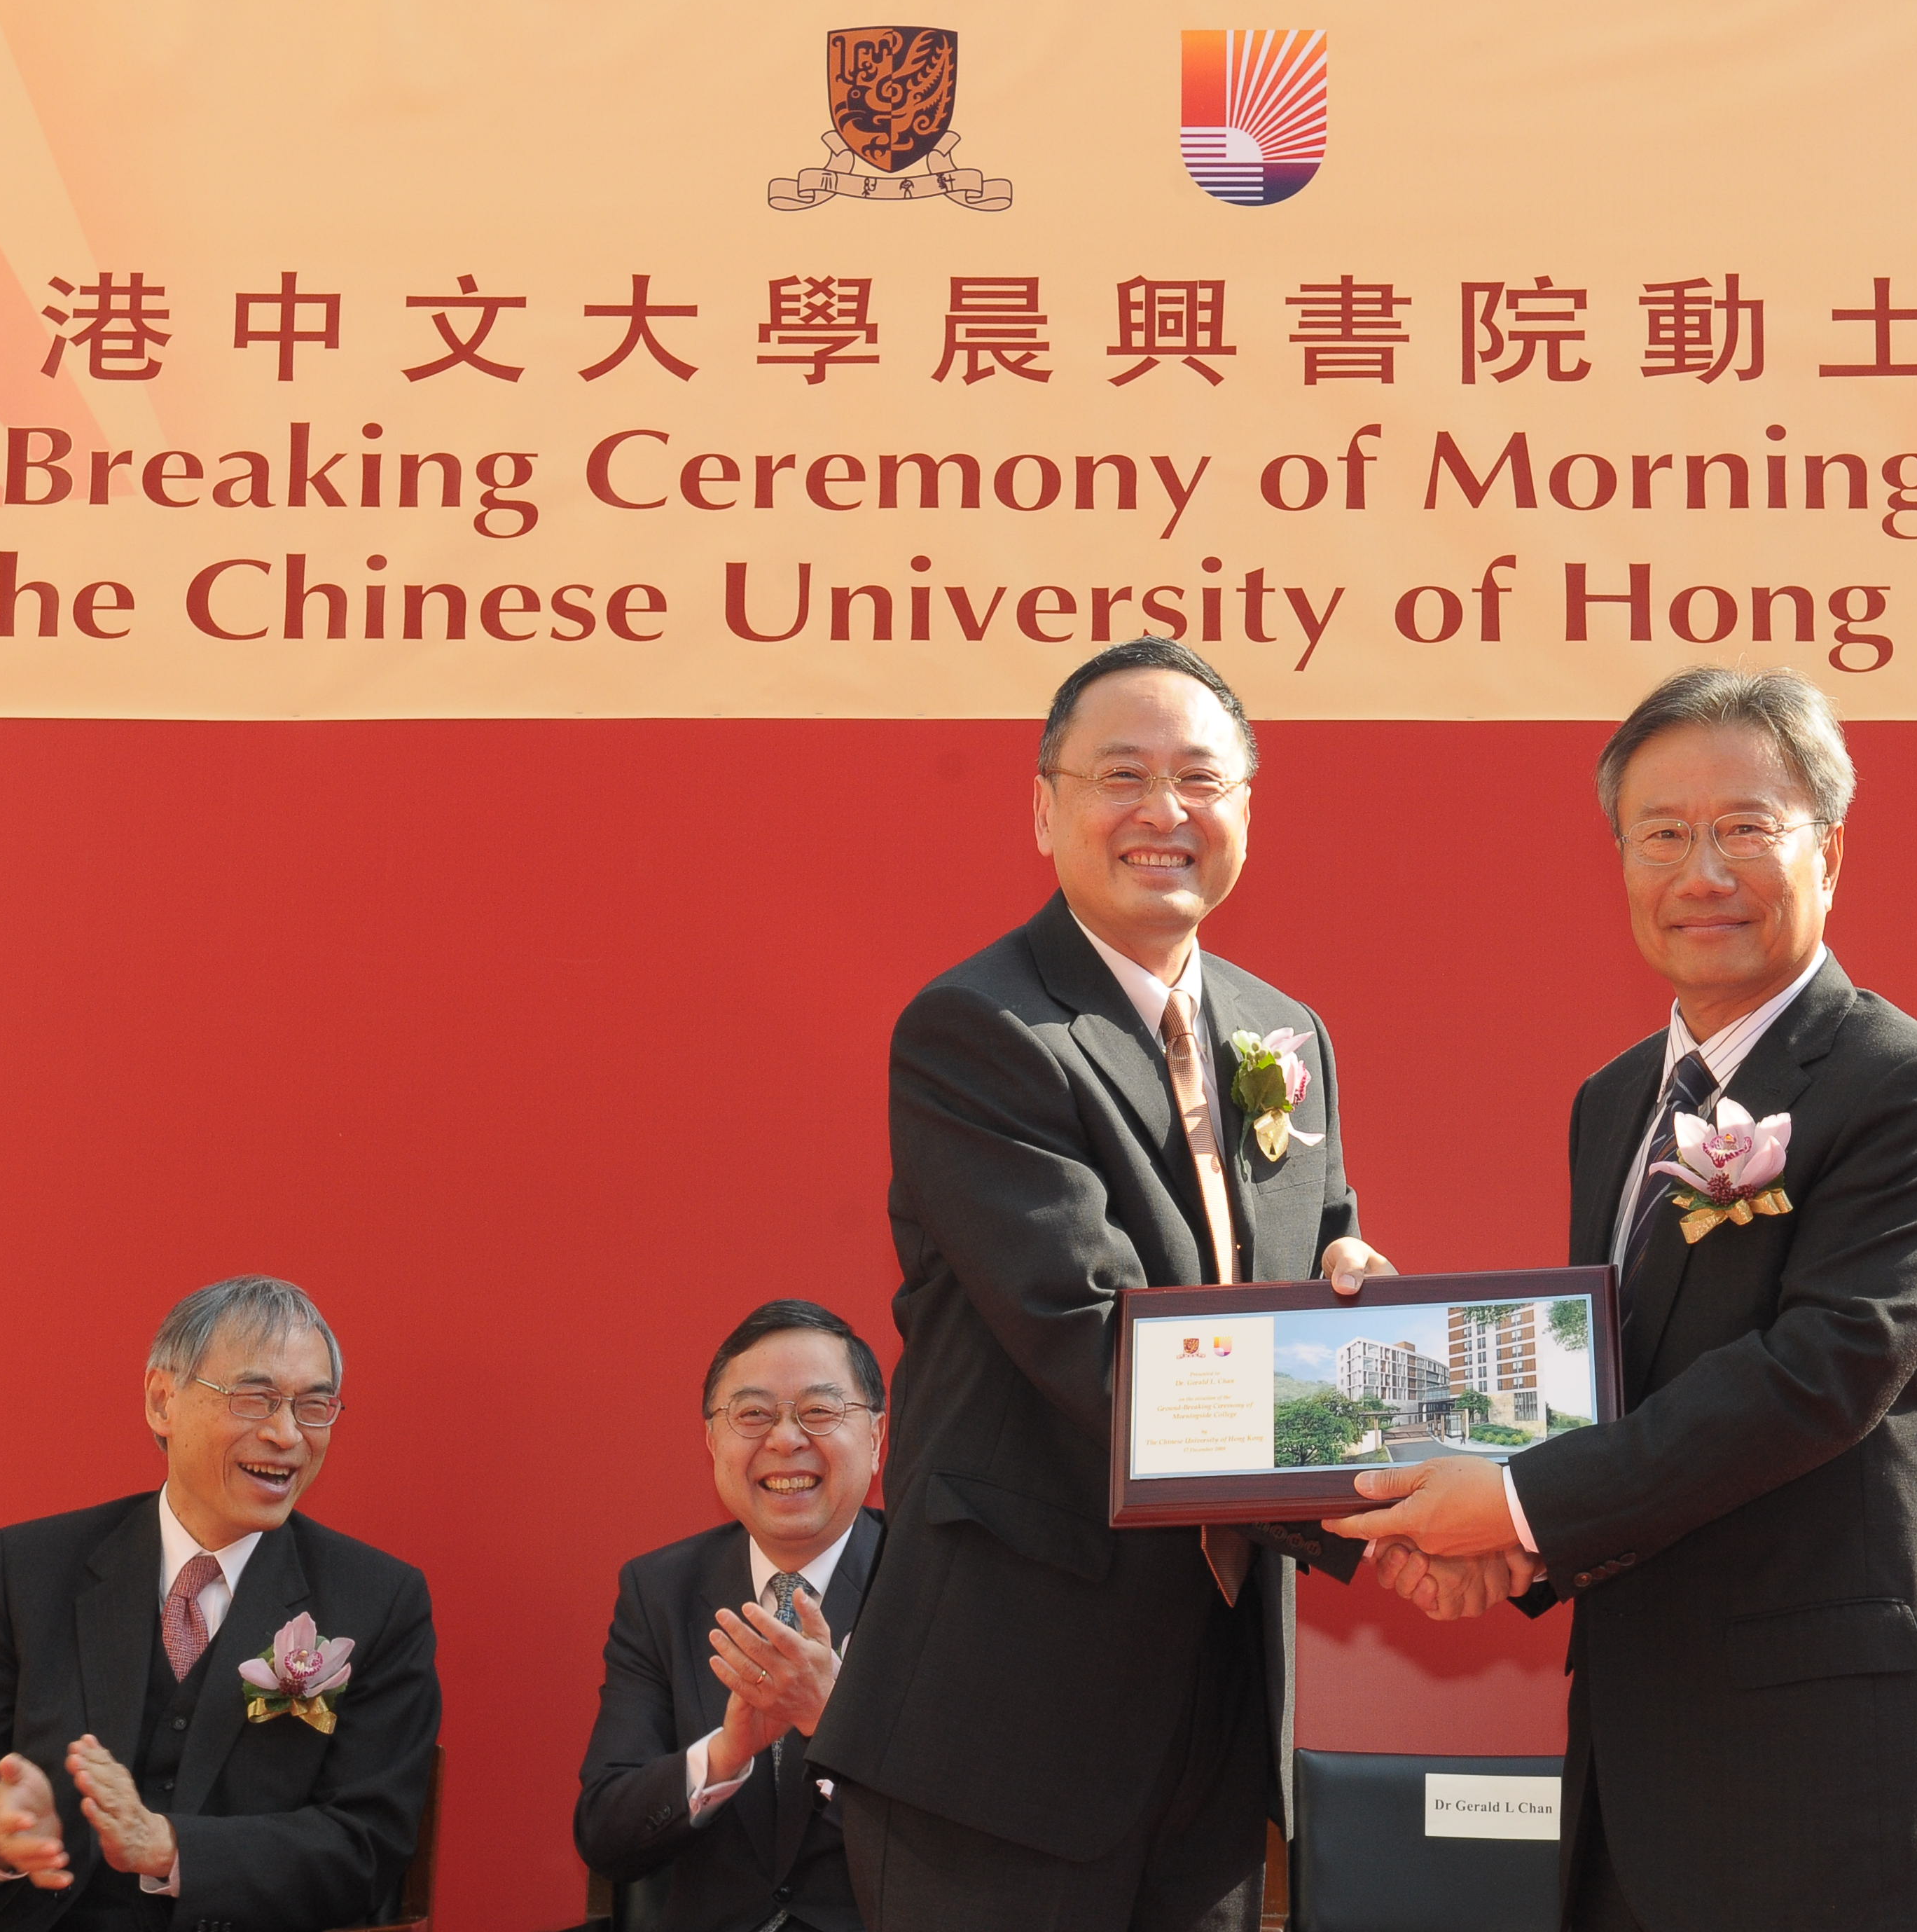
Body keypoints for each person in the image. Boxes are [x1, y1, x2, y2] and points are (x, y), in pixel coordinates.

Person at [1331, 666, 1917, 1932]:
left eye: (1746, 827)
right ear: (1621, 858)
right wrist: (1477, 1492)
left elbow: (1815, 1376)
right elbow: (1615, 1381)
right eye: (1662, 832)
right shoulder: (1612, 1101)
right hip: (1637, 1761)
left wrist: (1518, 1502)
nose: (1702, 871)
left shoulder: (1910, 1091)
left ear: (1829, 850)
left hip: (1826, 1773)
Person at [809, 637, 1398, 1932]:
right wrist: (1396, 1489)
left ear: (1247, 805)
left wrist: (1367, 1305)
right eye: (1119, 774)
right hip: (1007, 1729)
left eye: (1200, 777)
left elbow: (1322, 1264)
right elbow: (1095, 1340)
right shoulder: (981, 1028)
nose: (1161, 812)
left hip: (1214, 1711)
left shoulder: (1282, 1032)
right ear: (1042, 805)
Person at [0, 1275, 441, 1932]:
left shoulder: (378, 1599)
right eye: (255, 1398)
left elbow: (367, 1848)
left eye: (314, 1406)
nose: (288, 1435)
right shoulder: (27, 1570)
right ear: (162, 1401)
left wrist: (171, 1849)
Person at [575, 1300, 890, 1932]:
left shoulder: (934, 1584)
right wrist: (725, 1756)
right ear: (713, 1440)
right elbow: (606, 1834)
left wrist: (830, 1719)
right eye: (752, 1415)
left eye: (820, 1412)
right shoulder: (660, 1589)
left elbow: (979, 1837)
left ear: (878, 1437)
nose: (785, 1438)